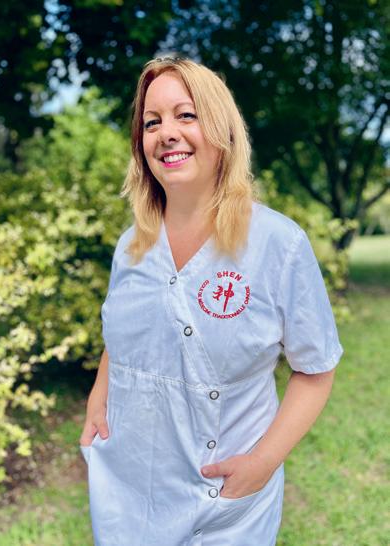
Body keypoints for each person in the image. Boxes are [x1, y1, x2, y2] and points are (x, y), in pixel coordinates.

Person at [79, 56, 344, 546]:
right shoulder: (131, 246)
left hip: (223, 505)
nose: (166, 133)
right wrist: (99, 396)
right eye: (151, 123)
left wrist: (262, 463)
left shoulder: (277, 244)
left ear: (223, 131)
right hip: (126, 494)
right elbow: (121, 335)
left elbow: (316, 370)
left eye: (186, 115)